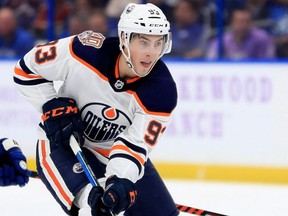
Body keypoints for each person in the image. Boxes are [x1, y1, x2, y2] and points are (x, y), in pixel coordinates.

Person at [13, 3, 178, 216]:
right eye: (143, 41)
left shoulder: (162, 92)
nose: (151, 53)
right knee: (94, 206)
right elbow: (26, 70)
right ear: (124, 39)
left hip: (111, 151)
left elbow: (134, 146)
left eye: (158, 43)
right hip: (62, 143)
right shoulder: (84, 51)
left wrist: (119, 180)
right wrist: (50, 104)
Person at [206, 8, 275, 59]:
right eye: (240, 21)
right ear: (232, 23)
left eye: (247, 21)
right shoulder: (222, 41)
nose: (243, 25)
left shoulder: (263, 38)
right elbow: (211, 61)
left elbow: (269, 60)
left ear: (252, 22)